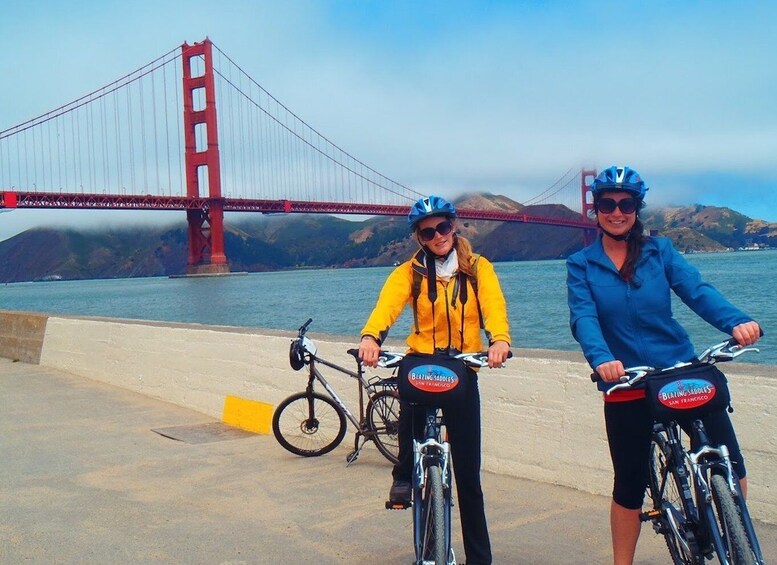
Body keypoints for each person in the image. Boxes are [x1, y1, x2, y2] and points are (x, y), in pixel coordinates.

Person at [566, 165, 762, 565]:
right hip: (628, 382)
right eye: (607, 203)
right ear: (596, 209)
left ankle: (734, 532)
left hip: (679, 371)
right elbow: (583, 318)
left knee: (730, 460)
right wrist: (603, 360)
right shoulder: (580, 264)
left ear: (637, 208)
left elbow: (696, 291)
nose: (617, 212)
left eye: (626, 204)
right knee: (630, 485)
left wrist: (736, 321)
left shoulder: (660, 251)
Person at [359, 195, 511, 565]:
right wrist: (370, 337)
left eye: (443, 227)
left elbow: (494, 305)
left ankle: (480, 559)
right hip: (423, 361)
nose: (438, 235)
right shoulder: (409, 272)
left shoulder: (477, 268)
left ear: (454, 226)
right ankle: (404, 475)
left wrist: (500, 340)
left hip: (462, 367)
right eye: (428, 232)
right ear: (420, 238)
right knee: (407, 388)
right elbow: (388, 305)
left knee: (469, 479)